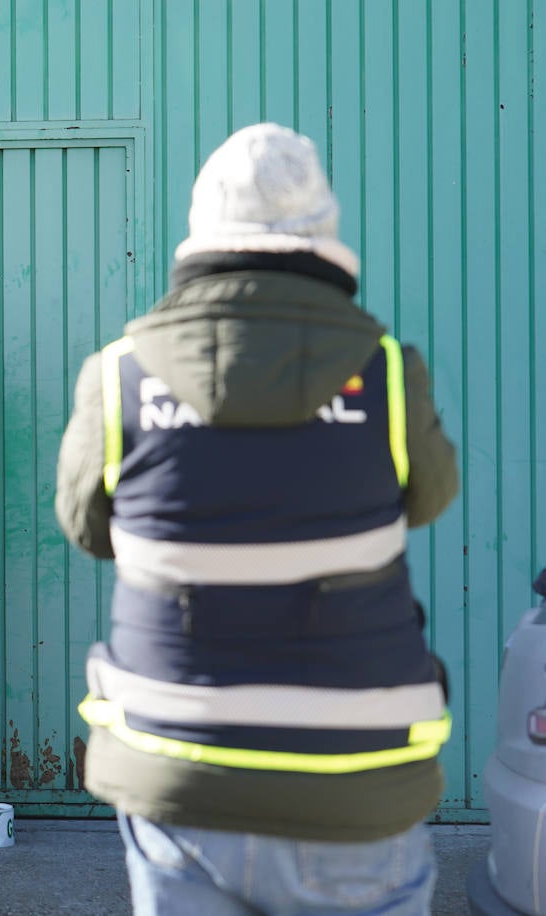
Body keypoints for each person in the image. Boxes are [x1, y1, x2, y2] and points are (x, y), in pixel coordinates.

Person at [55, 123, 460, 914]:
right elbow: (432, 497)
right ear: (323, 232)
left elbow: (87, 526)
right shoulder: (383, 371)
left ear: (203, 231)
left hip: (178, 775)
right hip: (355, 783)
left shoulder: (120, 375)